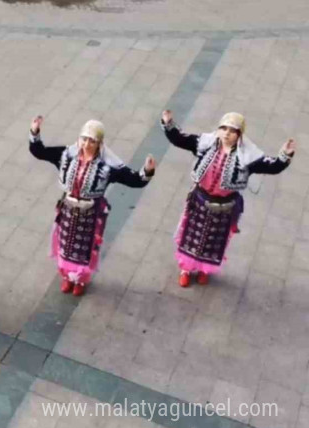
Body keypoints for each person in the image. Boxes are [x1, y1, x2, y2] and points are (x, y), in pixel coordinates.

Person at [161, 110, 296, 287]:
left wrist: (285, 155)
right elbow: (180, 139)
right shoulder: (205, 144)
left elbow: (273, 167)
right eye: (223, 128)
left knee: (213, 240)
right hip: (200, 200)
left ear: (239, 135)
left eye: (232, 130)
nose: (226, 133)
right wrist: (168, 122)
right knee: (191, 236)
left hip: (224, 206)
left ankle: (204, 269)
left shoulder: (248, 156)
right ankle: (185, 269)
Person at [30, 117, 156, 296]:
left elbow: (134, 180)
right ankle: (67, 276)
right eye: (84, 139)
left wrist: (147, 170)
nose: (87, 144)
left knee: (84, 249)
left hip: (90, 214)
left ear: (99, 144)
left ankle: (80, 280)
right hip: (68, 210)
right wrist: (35, 131)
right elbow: (39, 152)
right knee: (66, 246)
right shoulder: (66, 155)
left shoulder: (107, 166)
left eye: (92, 141)